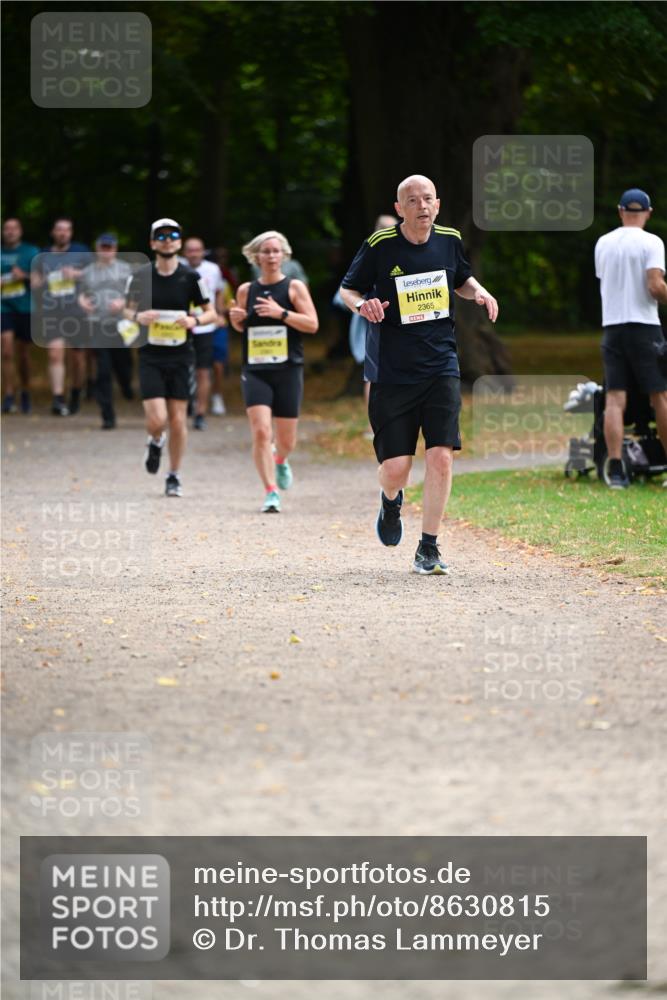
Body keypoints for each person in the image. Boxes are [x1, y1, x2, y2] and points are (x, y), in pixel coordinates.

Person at [339, 174, 498, 575]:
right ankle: (391, 500)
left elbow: (460, 279)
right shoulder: (380, 244)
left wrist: (479, 291)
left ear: (437, 204)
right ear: (399, 209)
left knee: (441, 456)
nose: (422, 206)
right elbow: (348, 289)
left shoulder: (449, 239)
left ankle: (429, 546)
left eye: (428, 198)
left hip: (441, 364)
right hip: (392, 371)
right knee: (396, 469)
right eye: (412, 200)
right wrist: (362, 307)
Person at [124, 218, 216, 497]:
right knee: (157, 419)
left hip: (181, 356)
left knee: (178, 420)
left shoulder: (191, 277)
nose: (167, 241)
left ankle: (173, 475)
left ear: (180, 242)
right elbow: (126, 311)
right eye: (161, 236)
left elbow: (211, 313)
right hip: (151, 355)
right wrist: (138, 316)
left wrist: (194, 320)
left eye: (173, 235)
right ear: (152, 243)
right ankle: (155, 440)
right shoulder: (140, 276)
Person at [229, 230, 318, 512]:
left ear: (284, 255)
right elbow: (242, 326)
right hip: (256, 369)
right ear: (256, 256)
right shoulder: (246, 290)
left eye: (275, 251)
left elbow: (312, 324)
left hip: (288, 368)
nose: (271, 256)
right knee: (260, 431)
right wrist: (236, 319)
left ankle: (280, 459)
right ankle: (271, 492)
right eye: (265, 251)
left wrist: (281, 313)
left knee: (286, 440)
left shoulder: (294, 288)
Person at [594, 188, 667, 489]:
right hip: (645, 327)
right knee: (660, 396)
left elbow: (606, 281)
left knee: (614, 399)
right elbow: (655, 286)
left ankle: (616, 470)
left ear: (620, 211)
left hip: (612, 328)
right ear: (648, 213)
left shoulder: (603, 243)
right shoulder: (652, 242)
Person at [33, 217, 89, 415]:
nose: (63, 233)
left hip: (77, 310)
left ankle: (76, 391)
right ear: (53, 232)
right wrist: (44, 280)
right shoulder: (43, 255)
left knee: (77, 358)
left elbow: (95, 274)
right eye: (59, 229)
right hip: (52, 310)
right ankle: (57, 398)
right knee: (55, 354)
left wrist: (76, 274)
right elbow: (35, 283)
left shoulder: (82, 252)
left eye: (66, 230)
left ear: (71, 233)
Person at [78, 234, 133, 429]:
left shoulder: (125, 269)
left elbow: (136, 293)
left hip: (120, 324)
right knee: (102, 370)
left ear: (115, 249)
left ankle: (126, 385)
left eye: (110, 247)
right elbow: (81, 293)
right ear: (97, 248)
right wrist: (83, 302)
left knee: (123, 365)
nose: (106, 250)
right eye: (103, 247)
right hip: (97, 323)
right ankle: (107, 415)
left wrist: (123, 303)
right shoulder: (87, 272)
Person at [182, 236, 226, 429]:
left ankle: (200, 412)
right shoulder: (177, 268)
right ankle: (181, 408)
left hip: (205, 326)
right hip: (180, 326)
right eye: (190, 250)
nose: (194, 254)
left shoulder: (213, 269)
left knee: (203, 370)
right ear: (184, 252)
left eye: (197, 250)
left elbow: (218, 292)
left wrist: (220, 314)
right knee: (180, 369)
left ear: (203, 252)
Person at [1, 218, 40, 414]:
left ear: (20, 231)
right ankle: (9, 394)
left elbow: (40, 281)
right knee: (6, 351)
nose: (10, 232)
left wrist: (23, 276)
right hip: (3, 307)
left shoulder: (31, 252)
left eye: (14, 228)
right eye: (6, 228)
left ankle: (25, 389)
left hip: (25, 308)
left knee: (23, 355)